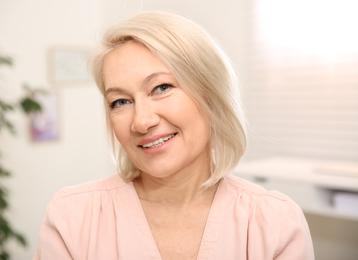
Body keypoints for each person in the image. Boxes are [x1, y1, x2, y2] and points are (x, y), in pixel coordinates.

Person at [34, 11, 314, 260]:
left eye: (161, 87)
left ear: (211, 95)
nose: (141, 122)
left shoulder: (276, 223)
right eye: (120, 102)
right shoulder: (72, 218)